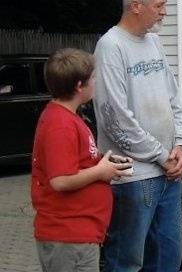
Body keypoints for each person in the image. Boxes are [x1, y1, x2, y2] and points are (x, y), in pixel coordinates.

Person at [93, 0, 182, 272]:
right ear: (136, 5)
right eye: (159, 5)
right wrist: (161, 156)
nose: (164, 11)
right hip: (134, 178)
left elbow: (173, 99)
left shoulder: (154, 43)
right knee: (126, 261)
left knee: (167, 259)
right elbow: (115, 119)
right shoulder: (111, 46)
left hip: (169, 174)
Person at [31, 48, 132, 272]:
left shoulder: (68, 117)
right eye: (93, 78)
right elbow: (60, 180)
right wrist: (100, 172)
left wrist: (104, 163)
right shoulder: (60, 124)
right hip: (68, 237)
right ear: (79, 86)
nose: (96, 82)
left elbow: (77, 161)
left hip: (78, 234)